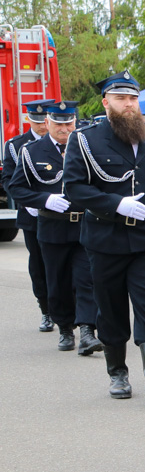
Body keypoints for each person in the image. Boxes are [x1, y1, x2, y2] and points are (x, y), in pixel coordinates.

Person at [64, 70, 145, 400]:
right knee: (110, 308)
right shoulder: (85, 140)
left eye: (133, 98)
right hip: (105, 239)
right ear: (106, 102)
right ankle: (118, 373)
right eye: (121, 98)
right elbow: (74, 187)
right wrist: (115, 204)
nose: (128, 104)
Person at [7, 101, 102, 355]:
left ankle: (86, 330)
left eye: (69, 123)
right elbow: (16, 188)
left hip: (84, 224)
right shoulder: (31, 152)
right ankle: (65, 328)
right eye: (59, 124)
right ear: (47, 123)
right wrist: (44, 200)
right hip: (52, 227)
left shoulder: (86, 147)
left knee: (86, 279)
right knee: (57, 282)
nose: (65, 128)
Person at [2, 99, 54, 333]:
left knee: (69, 264)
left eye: (44, 121)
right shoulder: (16, 146)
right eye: (37, 122)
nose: (42, 126)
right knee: (40, 265)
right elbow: (9, 180)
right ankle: (46, 310)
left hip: (62, 214)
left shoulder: (64, 142)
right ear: (29, 121)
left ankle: (69, 307)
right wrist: (28, 203)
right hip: (33, 215)